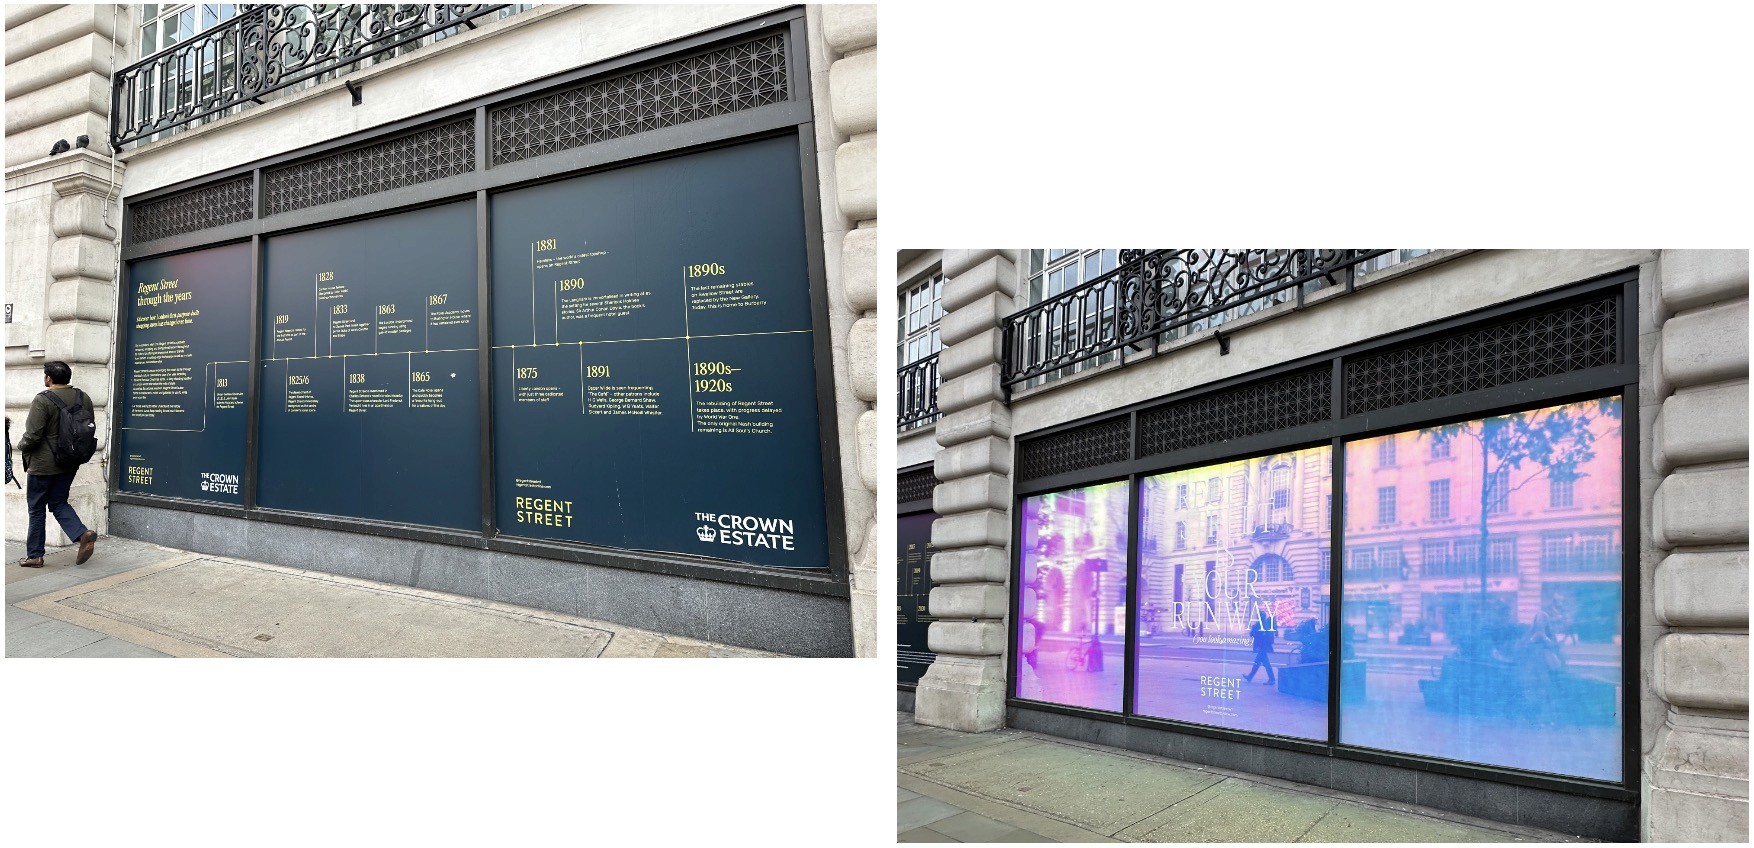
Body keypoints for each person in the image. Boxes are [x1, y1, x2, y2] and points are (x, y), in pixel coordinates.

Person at [15, 361, 97, 568]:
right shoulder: (82, 397)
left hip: (43, 466)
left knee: (36, 509)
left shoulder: (43, 400)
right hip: (69, 463)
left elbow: (32, 436)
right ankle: (82, 534)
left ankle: (35, 556)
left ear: (48, 378)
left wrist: (20, 445)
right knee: (59, 502)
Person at [1244, 615, 1277, 685]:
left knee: (1265, 663)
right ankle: (1250, 677)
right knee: (1258, 662)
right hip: (1264, 647)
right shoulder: (1267, 624)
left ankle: (1272, 679)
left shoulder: (1258, 625)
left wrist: (1253, 627)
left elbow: (1252, 634)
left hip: (1261, 647)